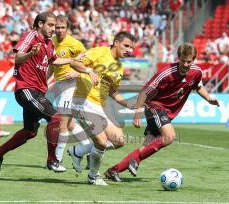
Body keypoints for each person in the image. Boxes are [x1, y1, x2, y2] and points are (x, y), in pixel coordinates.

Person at [0, 12, 97, 174]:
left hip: (38, 92)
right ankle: (52, 160)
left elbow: (55, 61)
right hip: (25, 89)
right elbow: (18, 58)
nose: (53, 29)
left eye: (55, 26)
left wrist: (75, 63)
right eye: (51, 25)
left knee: (30, 132)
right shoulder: (31, 36)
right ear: (40, 24)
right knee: (57, 118)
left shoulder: (49, 43)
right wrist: (30, 54)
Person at [104, 42, 220, 182]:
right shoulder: (166, 72)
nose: (185, 64)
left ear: (193, 60)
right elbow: (145, 91)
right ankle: (135, 160)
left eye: (189, 61)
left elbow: (198, 86)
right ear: (178, 57)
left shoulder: (196, 72)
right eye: (182, 60)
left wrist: (208, 99)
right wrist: (138, 113)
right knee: (169, 136)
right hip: (155, 105)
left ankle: (114, 170)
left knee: (148, 146)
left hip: (169, 111)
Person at [68, 31, 135, 185]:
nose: (129, 50)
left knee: (120, 141)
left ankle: (77, 152)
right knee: (101, 141)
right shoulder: (99, 52)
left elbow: (112, 91)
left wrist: (128, 104)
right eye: (126, 46)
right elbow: (74, 62)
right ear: (116, 43)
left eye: (131, 47)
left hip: (99, 106)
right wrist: (89, 71)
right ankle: (93, 176)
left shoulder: (119, 67)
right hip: (82, 102)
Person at [47, 15, 90, 165]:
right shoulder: (51, 42)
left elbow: (89, 62)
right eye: (56, 27)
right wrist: (45, 81)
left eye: (62, 27)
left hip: (72, 85)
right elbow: (52, 65)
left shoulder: (75, 44)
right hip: (59, 84)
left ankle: (57, 159)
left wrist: (78, 73)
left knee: (62, 122)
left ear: (67, 28)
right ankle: (88, 148)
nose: (59, 30)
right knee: (70, 123)